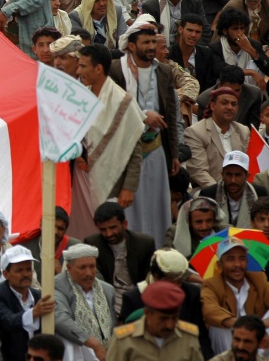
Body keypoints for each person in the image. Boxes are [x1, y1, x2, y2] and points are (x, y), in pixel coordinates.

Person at [107, 16, 180, 248]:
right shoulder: (116, 70)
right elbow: (110, 107)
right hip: (126, 149)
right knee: (131, 206)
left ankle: (157, 252)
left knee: (157, 204)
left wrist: (174, 153)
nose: (151, 47)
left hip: (156, 147)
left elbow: (170, 116)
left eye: (153, 42)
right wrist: (142, 115)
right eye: (145, 42)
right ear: (131, 45)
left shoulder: (164, 71)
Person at [70, 44, 145, 239]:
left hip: (113, 181)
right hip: (81, 178)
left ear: (98, 69)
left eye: (83, 66)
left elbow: (134, 150)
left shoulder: (122, 101)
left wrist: (128, 188)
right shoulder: (80, 96)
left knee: (110, 234)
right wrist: (79, 156)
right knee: (82, 234)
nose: (78, 71)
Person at [0, 245, 54, 361]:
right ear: (6, 274)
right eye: (19, 270)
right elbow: (7, 320)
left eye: (28, 269)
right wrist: (33, 313)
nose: (25, 274)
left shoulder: (38, 295)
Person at [84, 202, 157, 316]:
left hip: (138, 302)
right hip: (106, 303)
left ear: (124, 224)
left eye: (112, 228)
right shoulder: (92, 244)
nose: (108, 234)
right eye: (103, 229)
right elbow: (97, 282)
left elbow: (149, 280)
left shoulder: (144, 244)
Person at [201, 237, 269, 354]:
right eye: (230, 259)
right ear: (220, 265)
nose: (237, 264)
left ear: (247, 262)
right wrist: (243, 326)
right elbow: (209, 310)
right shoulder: (212, 285)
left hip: (258, 341)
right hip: (230, 342)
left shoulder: (258, 279)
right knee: (217, 327)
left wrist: (259, 326)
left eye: (242, 258)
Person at [107, 280, 203, 360]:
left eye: (174, 318)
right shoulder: (124, 340)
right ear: (148, 313)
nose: (169, 325)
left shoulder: (187, 337)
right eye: (163, 319)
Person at [54, 243, 115, 361]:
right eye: (82, 268)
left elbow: (113, 325)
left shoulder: (107, 289)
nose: (89, 273)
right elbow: (60, 319)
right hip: (76, 349)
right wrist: (95, 345)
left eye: (92, 267)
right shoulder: (57, 286)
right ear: (69, 268)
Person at [184, 86, 249, 189]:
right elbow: (199, 172)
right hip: (207, 190)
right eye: (224, 103)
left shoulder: (243, 131)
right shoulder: (195, 132)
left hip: (239, 190)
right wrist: (222, 192)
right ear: (213, 106)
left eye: (233, 104)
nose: (229, 107)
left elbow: (248, 166)